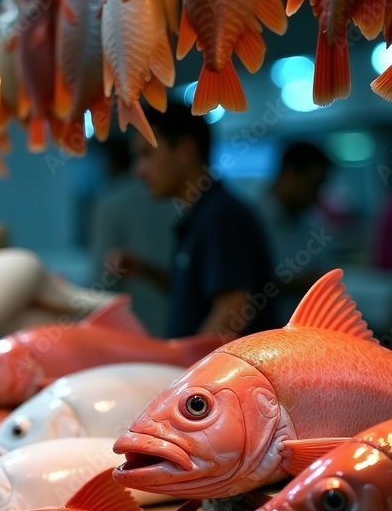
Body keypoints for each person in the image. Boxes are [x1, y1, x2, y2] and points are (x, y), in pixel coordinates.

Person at [107, 102, 278, 339]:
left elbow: (234, 308)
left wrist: (188, 372)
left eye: (147, 154)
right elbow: (194, 291)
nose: (138, 170)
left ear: (185, 151)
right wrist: (145, 270)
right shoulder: (201, 215)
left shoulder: (220, 216)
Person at [89, 137, 176, 336]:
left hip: (132, 332)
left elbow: (101, 283)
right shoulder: (179, 200)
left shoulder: (111, 206)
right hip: (182, 331)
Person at [252, 140, 334, 323]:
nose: (316, 195)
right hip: (260, 338)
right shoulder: (250, 219)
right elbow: (243, 285)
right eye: (312, 185)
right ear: (290, 174)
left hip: (306, 337)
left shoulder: (313, 224)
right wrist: (297, 284)